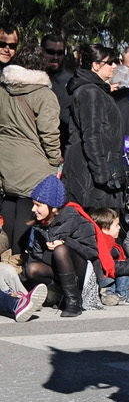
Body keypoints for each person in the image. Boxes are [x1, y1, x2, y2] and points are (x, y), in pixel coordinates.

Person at [0, 45, 61, 260]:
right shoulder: (44, 95)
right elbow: (50, 133)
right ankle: (17, 262)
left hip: (5, 161)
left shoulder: (2, 91)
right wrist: (55, 161)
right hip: (35, 163)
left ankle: (3, 262)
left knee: (8, 208)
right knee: (28, 212)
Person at [63, 43, 129, 212]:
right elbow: (91, 135)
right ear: (96, 65)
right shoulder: (90, 93)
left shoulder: (97, 91)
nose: (115, 66)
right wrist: (102, 176)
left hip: (98, 178)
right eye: (110, 62)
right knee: (94, 231)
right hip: (91, 182)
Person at [21, 175, 99, 317]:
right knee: (31, 269)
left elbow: (92, 253)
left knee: (60, 250)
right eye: (33, 204)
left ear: (54, 208)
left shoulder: (77, 221)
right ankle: (58, 293)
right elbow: (36, 257)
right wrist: (19, 285)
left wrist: (66, 242)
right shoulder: (39, 224)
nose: (33, 209)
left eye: (38, 205)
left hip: (81, 274)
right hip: (58, 272)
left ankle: (74, 302)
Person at [89, 207, 129, 305]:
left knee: (125, 268)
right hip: (102, 277)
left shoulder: (104, 239)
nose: (119, 228)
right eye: (116, 225)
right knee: (125, 271)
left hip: (103, 277)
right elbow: (107, 263)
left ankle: (109, 293)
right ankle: (123, 295)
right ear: (105, 229)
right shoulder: (106, 241)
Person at [41, 35, 74, 150]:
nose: (55, 57)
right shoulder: (30, 77)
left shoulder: (71, 80)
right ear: (41, 51)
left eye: (59, 53)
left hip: (62, 147)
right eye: (50, 52)